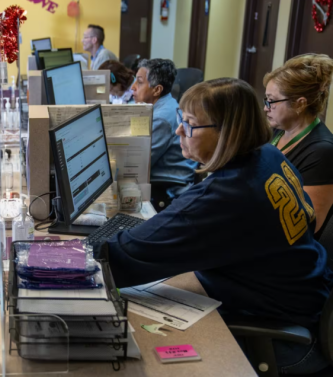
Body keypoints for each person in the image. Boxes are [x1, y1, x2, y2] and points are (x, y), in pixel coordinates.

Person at [104, 78, 331, 375]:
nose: (179, 131)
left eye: (191, 124)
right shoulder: (268, 155)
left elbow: (118, 259)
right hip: (305, 298)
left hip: (281, 338)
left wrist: (69, 249)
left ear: (228, 132)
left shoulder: (229, 195)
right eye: (180, 120)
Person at [263, 53, 333, 239]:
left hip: (288, 250)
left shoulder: (323, 151)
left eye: (271, 100)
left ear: (300, 104)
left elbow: (308, 225)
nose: (265, 107)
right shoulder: (277, 132)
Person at [131, 58, 198, 208]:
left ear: (157, 90)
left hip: (166, 189)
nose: (133, 87)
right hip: (164, 177)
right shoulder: (166, 104)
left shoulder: (161, 118)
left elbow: (136, 165)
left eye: (139, 83)